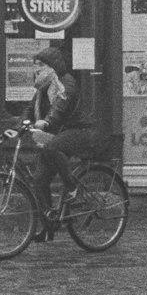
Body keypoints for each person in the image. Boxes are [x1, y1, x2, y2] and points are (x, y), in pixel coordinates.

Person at [28, 46, 94, 235]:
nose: (36, 69)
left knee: (50, 148)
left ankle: (72, 187)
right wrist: (18, 126)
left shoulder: (67, 83)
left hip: (77, 131)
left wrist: (47, 122)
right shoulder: (42, 88)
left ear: (52, 67)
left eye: (40, 65)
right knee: (39, 180)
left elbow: (60, 105)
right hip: (58, 133)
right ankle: (49, 225)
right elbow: (29, 108)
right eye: (35, 65)